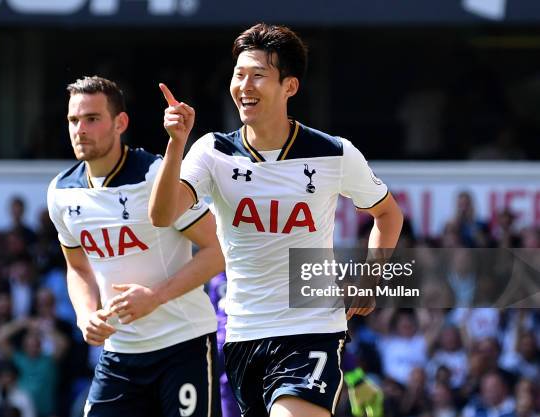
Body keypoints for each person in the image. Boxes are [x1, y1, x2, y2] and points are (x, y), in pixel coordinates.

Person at [149, 23, 403, 417]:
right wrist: (175, 144)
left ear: (290, 86)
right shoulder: (211, 152)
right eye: (239, 74)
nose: (244, 85)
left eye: (258, 76)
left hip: (312, 328)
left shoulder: (334, 153)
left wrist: (371, 278)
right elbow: (162, 215)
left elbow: (387, 213)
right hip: (242, 334)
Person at [46, 76, 224, 417]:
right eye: (73, 120)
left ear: (120, 123)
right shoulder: (61, 192)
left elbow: (218, 249)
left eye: (92, 119)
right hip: (119, 354)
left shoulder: (155, 175)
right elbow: (78, 267)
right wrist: (85, 316)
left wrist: (155, 297)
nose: (80, 129)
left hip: (181, 345)